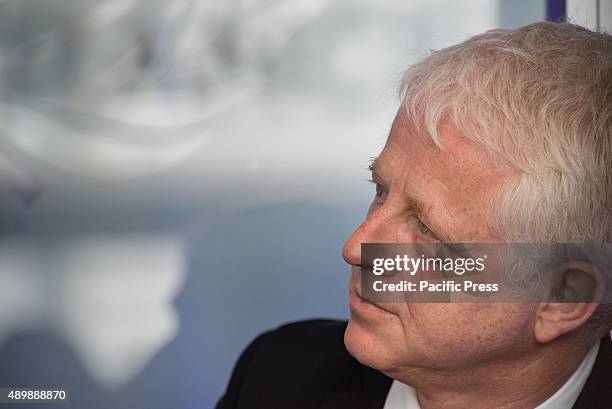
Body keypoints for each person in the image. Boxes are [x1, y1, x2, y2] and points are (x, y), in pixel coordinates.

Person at [216, 22, 612, 409]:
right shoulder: (277, 376)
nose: (356, 248)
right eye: (380, 190)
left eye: (426, 229)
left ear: (562, 297)